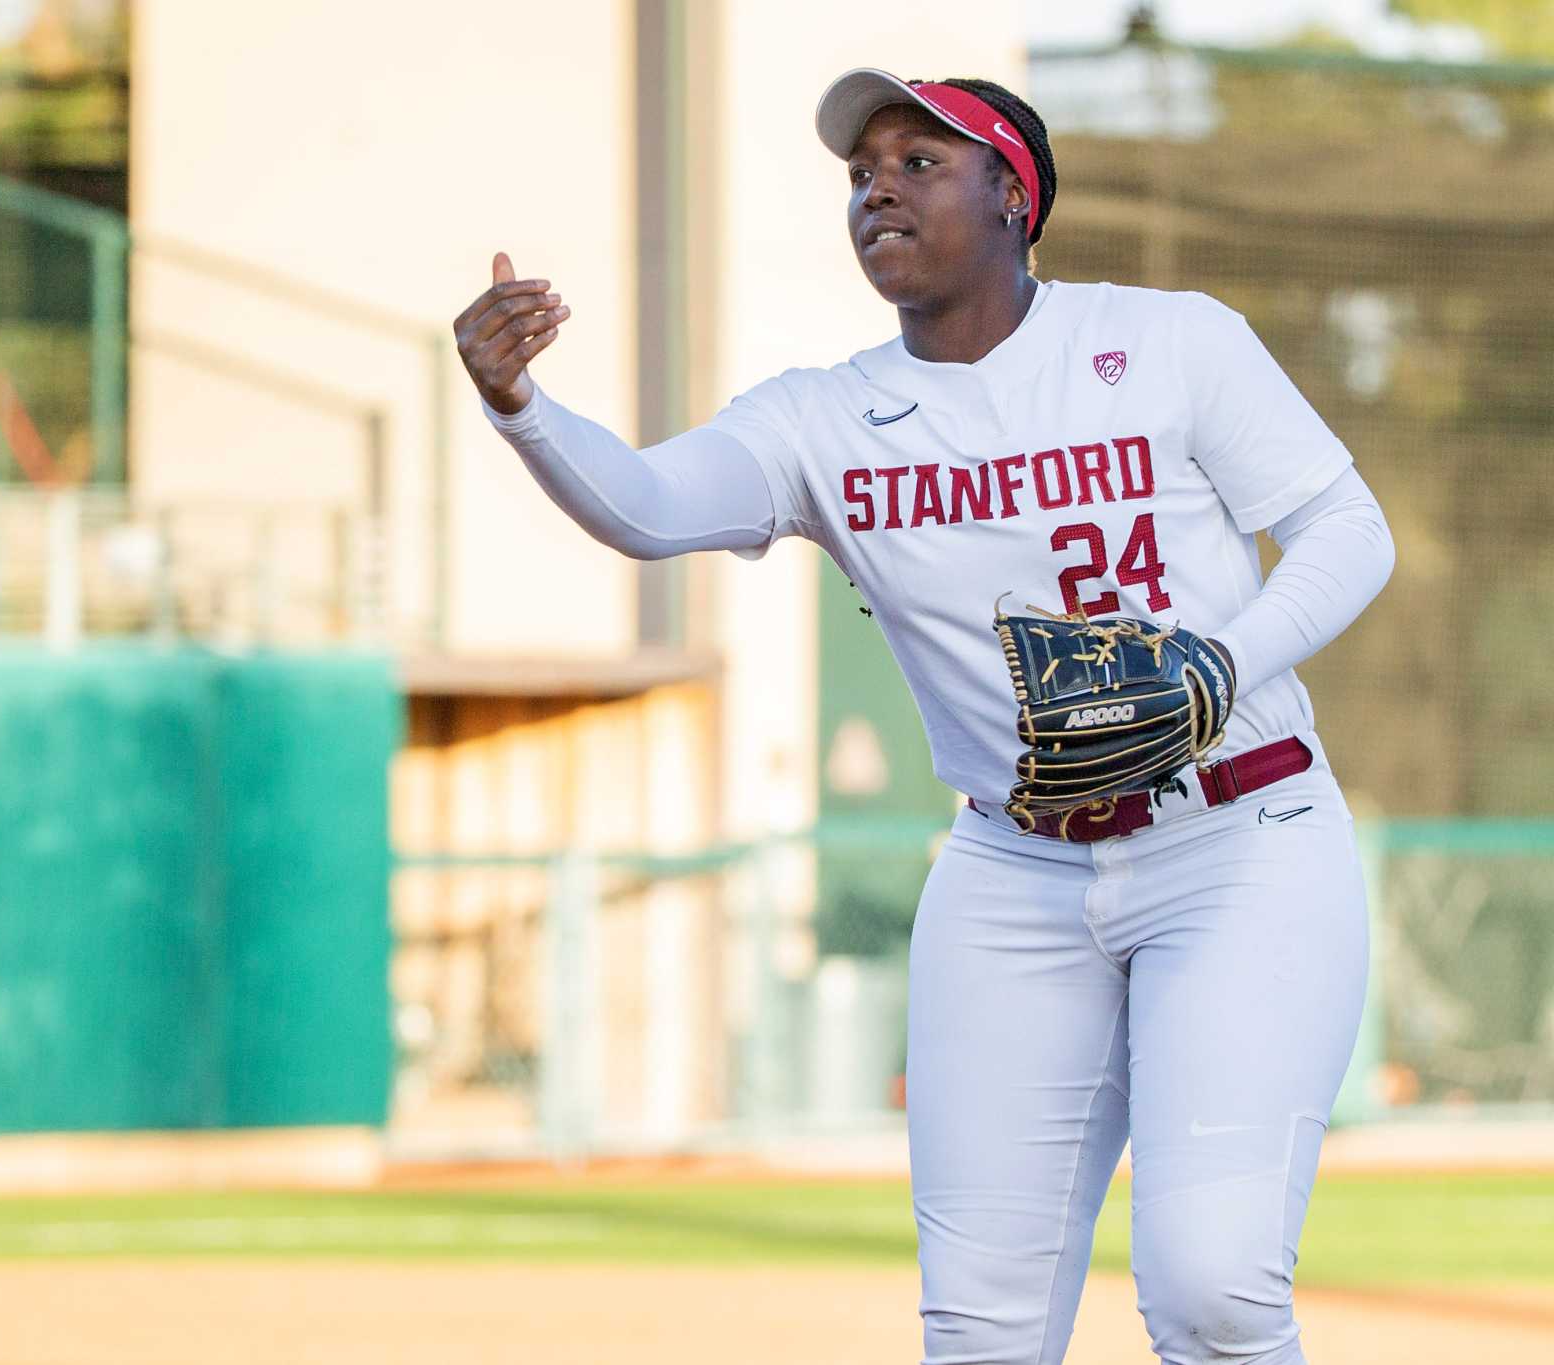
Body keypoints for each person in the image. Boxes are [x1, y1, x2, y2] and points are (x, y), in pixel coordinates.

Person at [453, 67, 1395, 1365]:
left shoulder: (1172, 341)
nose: (879, 186)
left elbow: (1351, 531)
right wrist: (523, 409)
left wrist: (1219, 666)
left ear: (1016, 195)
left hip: (1238, 836)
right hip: (1013, 869)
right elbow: (650, 504)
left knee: (1215, 1287)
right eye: (860, 173)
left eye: (919, 160)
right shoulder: (824, 422)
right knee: (982, 1331)